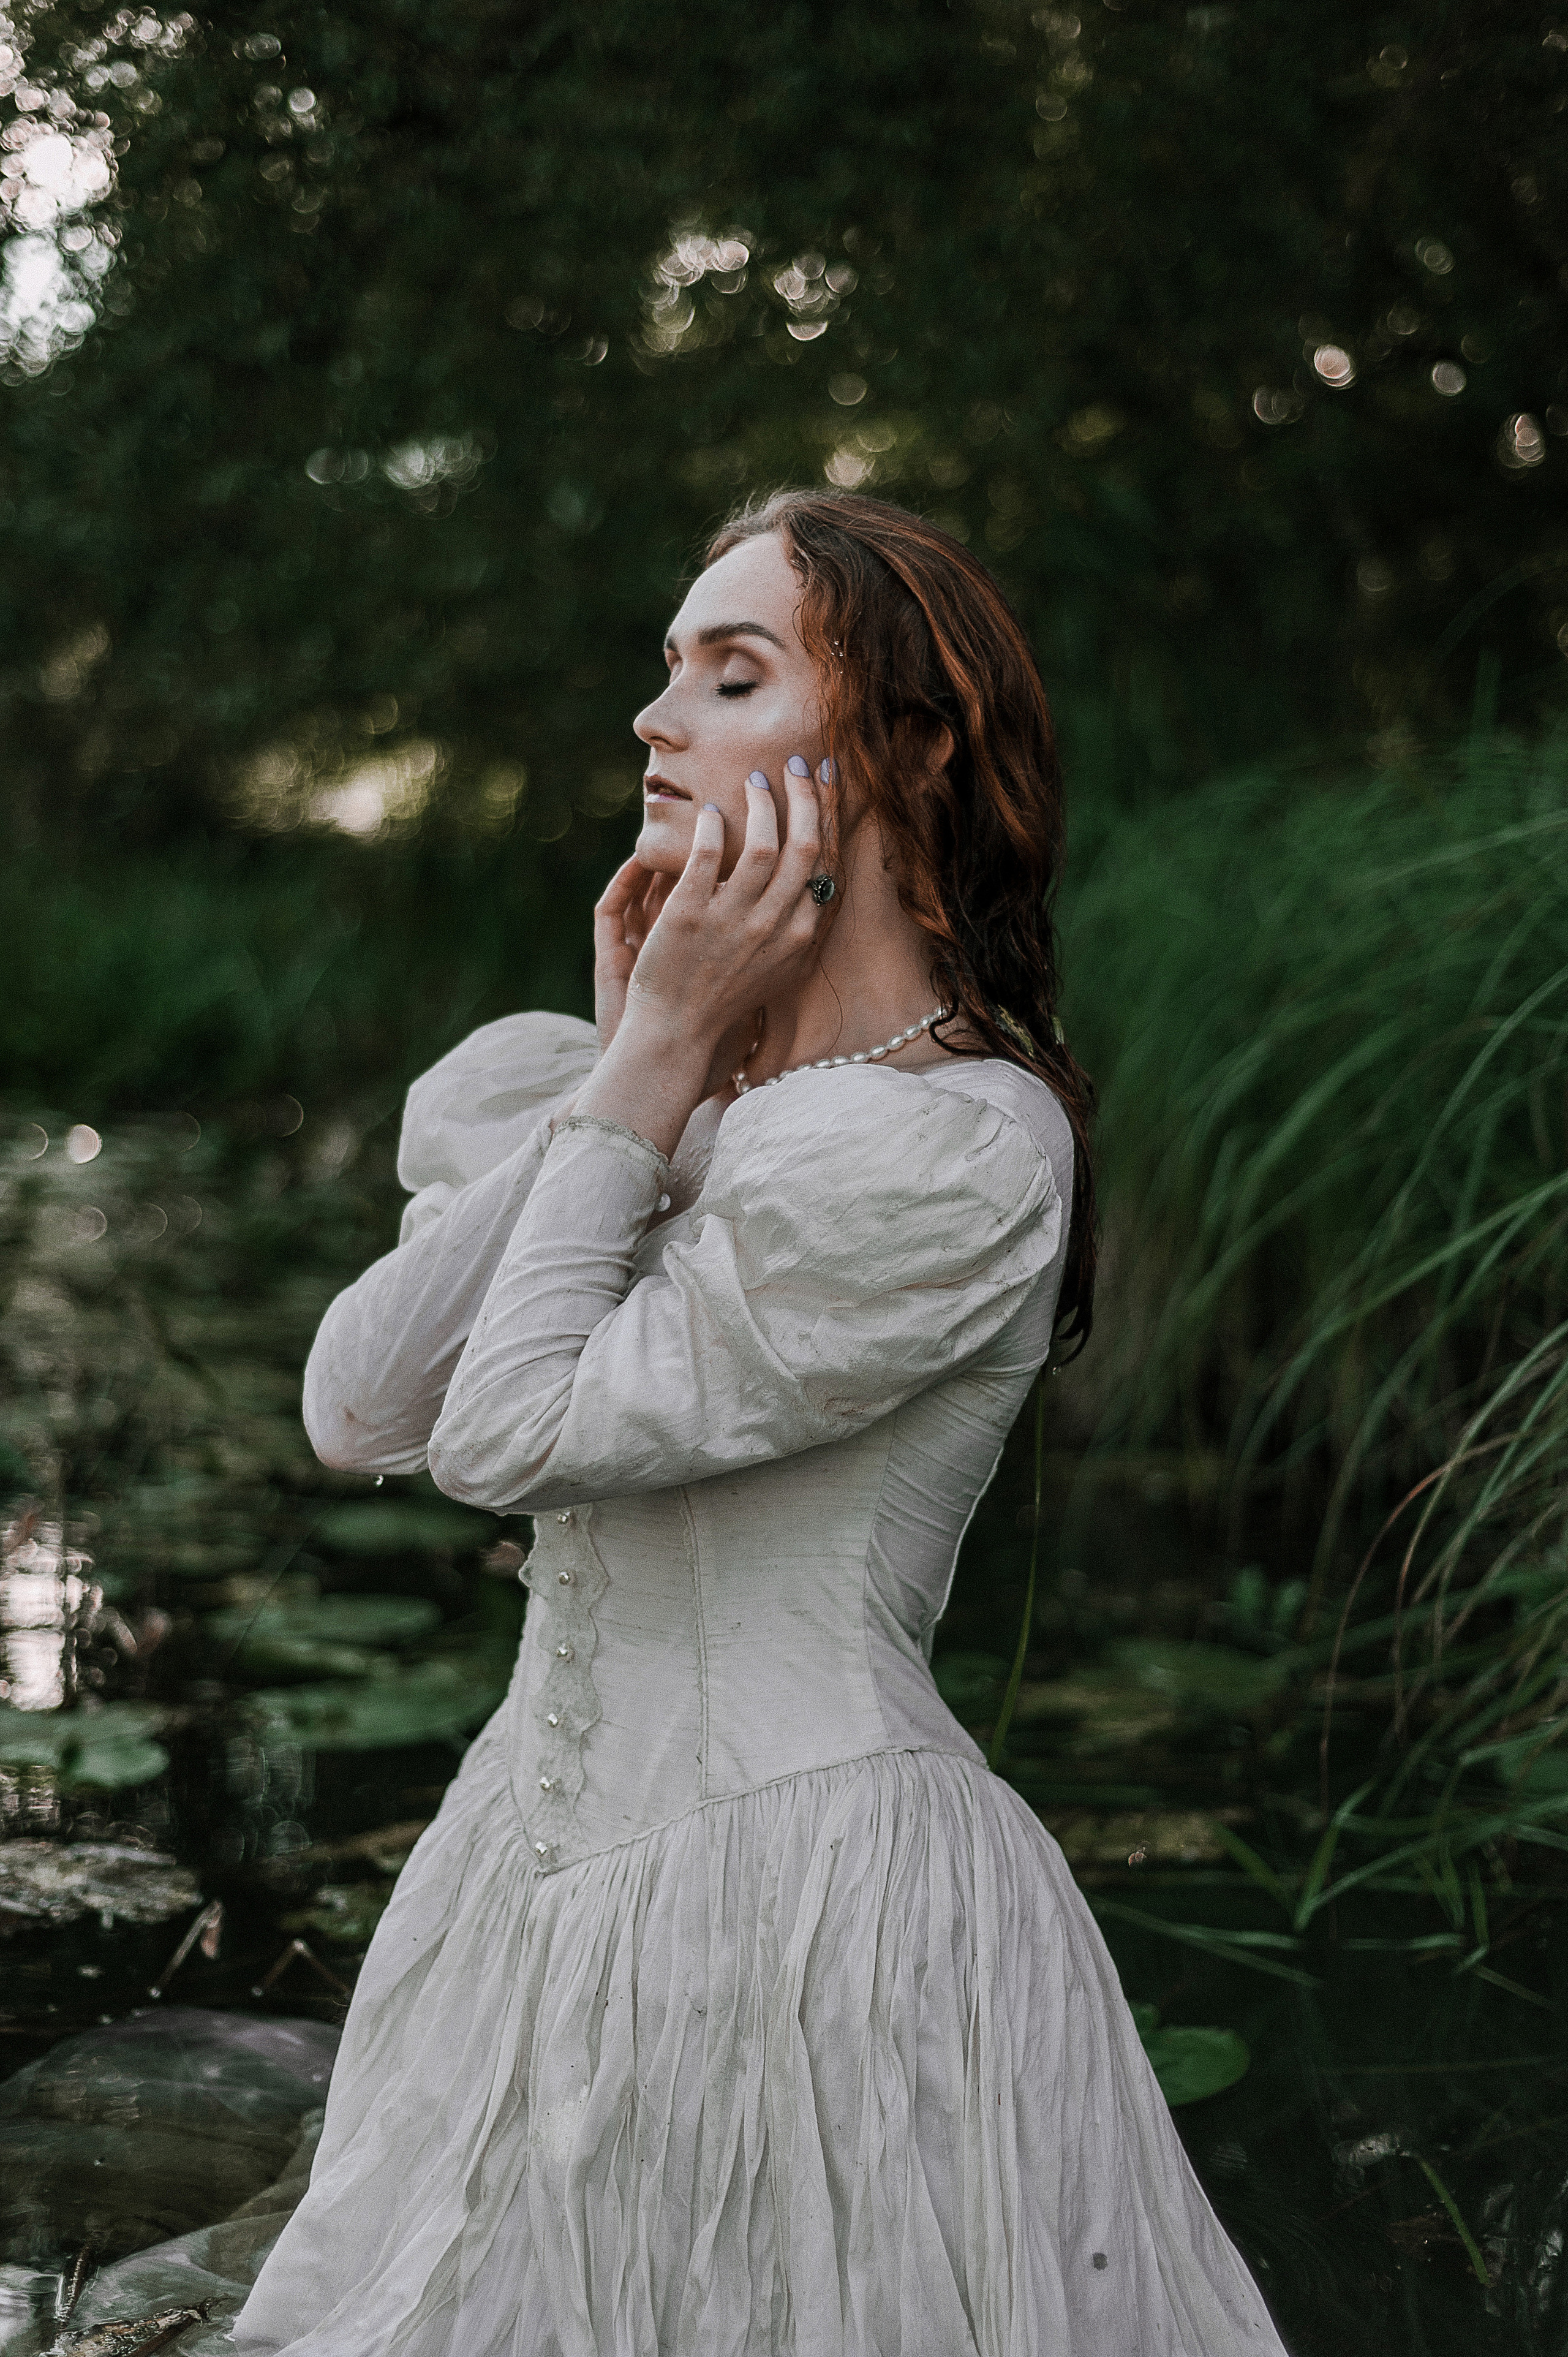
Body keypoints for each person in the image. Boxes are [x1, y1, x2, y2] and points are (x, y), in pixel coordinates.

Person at [233, 491, 1286, 2355]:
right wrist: (644, 1061)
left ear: (909, 743)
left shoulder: (957, 1150)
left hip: (813, 1909)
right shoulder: (675, 1093)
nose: (657, 721)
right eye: (666, 674)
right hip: (530, 1887)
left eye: (732, 674)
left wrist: (644, 1075)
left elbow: (506, 1437)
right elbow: (355, 1403)